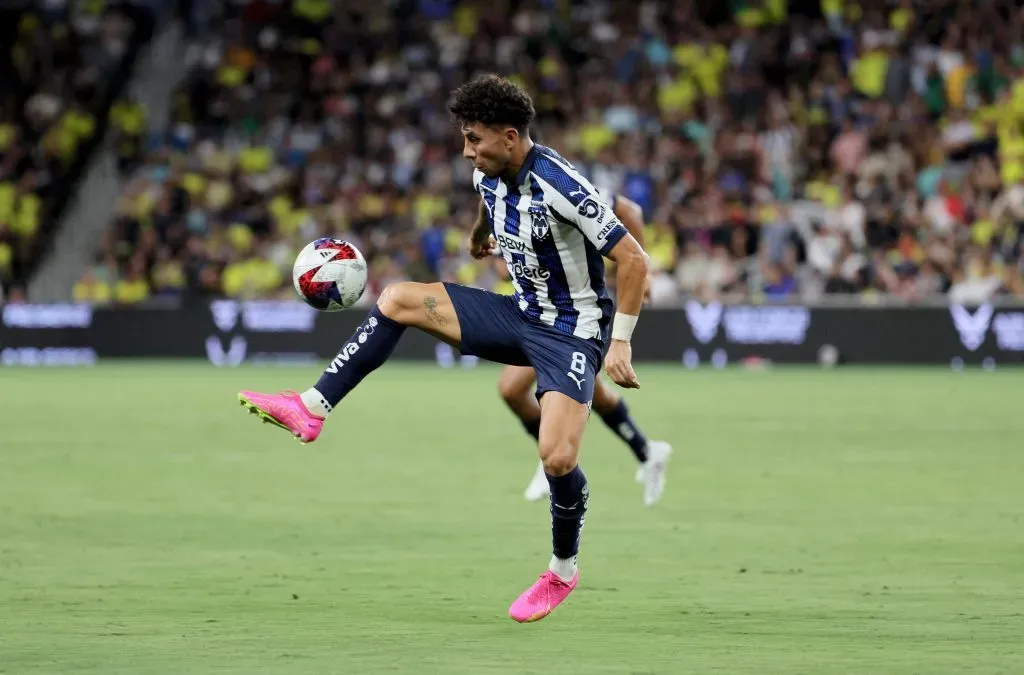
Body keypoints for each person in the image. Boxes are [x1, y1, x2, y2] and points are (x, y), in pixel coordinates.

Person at [236, 74, 650, 623]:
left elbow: (634, 258)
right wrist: (481, 234)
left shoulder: (563, 185)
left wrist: (619, 343)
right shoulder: (489, 173)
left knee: (557, 457)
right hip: (519, 313)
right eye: (464, 138)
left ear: (509, 137)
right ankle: (311, 407)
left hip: (572, 332)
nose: (467, 151)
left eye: (474, 139)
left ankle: (562, 570)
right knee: (398, 299)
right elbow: (487, 197)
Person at [494, 193, 672, 506]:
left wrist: (639, 271)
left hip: (577, 312)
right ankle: (646, 450)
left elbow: (631, 211)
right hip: (543, 310)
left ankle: (551, 457)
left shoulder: (564, 187)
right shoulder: (509, 193)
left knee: (514, 387)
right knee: (591, 394)